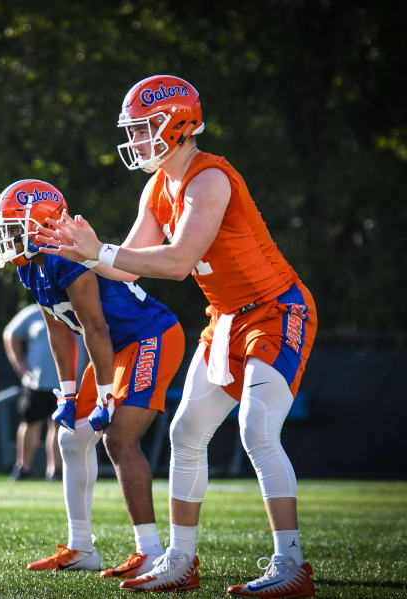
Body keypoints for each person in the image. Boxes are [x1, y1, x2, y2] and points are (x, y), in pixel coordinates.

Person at [36, 74, 318, 597]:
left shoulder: (210, 178)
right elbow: (127, 268)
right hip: (227, 318)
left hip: (278, 310)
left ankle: (292, 564)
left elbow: (179, 261)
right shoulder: (158, 185)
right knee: (185, 433)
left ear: (179, 124)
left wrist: (100, 252)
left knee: (258, 430)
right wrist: (82, 250)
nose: (138, 140)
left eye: (146, 128)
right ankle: (181, 561)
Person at [0, 179, 185, 583]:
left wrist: (108, 394)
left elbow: (95, 328)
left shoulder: (66, 257)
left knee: (119, 437)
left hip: (149, 336)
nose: (6, 238)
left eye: (12, 227)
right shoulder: (32, 266)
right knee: (71, 437)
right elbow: (58, 329)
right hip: (112, 346)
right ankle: (81, 548)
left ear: (40, 225)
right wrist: (69, 390)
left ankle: (150, 552)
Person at [3, 304, 88, 481]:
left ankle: (55, 471)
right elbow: (10, 334)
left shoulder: (81, 309)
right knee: (30, 423)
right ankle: (23, 469)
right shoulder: (34, 311)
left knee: (59, 427)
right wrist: (18, 364)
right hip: (38, 382)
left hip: (71, 385)